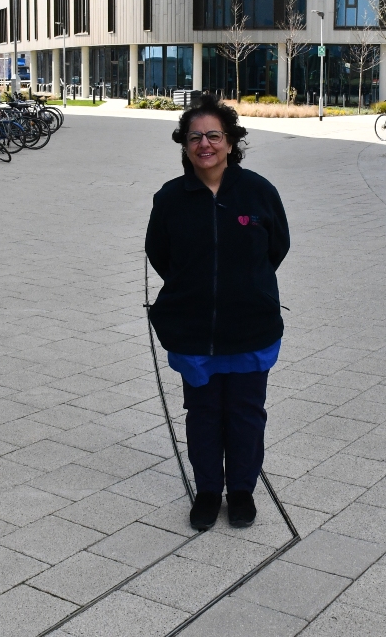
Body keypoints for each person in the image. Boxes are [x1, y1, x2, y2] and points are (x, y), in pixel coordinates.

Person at [145, 96, 290, 531]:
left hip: (250, 329)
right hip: (194, 333)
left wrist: (242, 287)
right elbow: (160, 254)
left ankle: (242, 491)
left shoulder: (258, 191)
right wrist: (195, 290)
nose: (204, 144)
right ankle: (208, 491)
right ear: (184, 145)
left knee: (246, 414)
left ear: (230, 142)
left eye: (213, 135)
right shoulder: (170, 198)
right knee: (204, 415)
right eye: (195, 137)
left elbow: (276, 247)